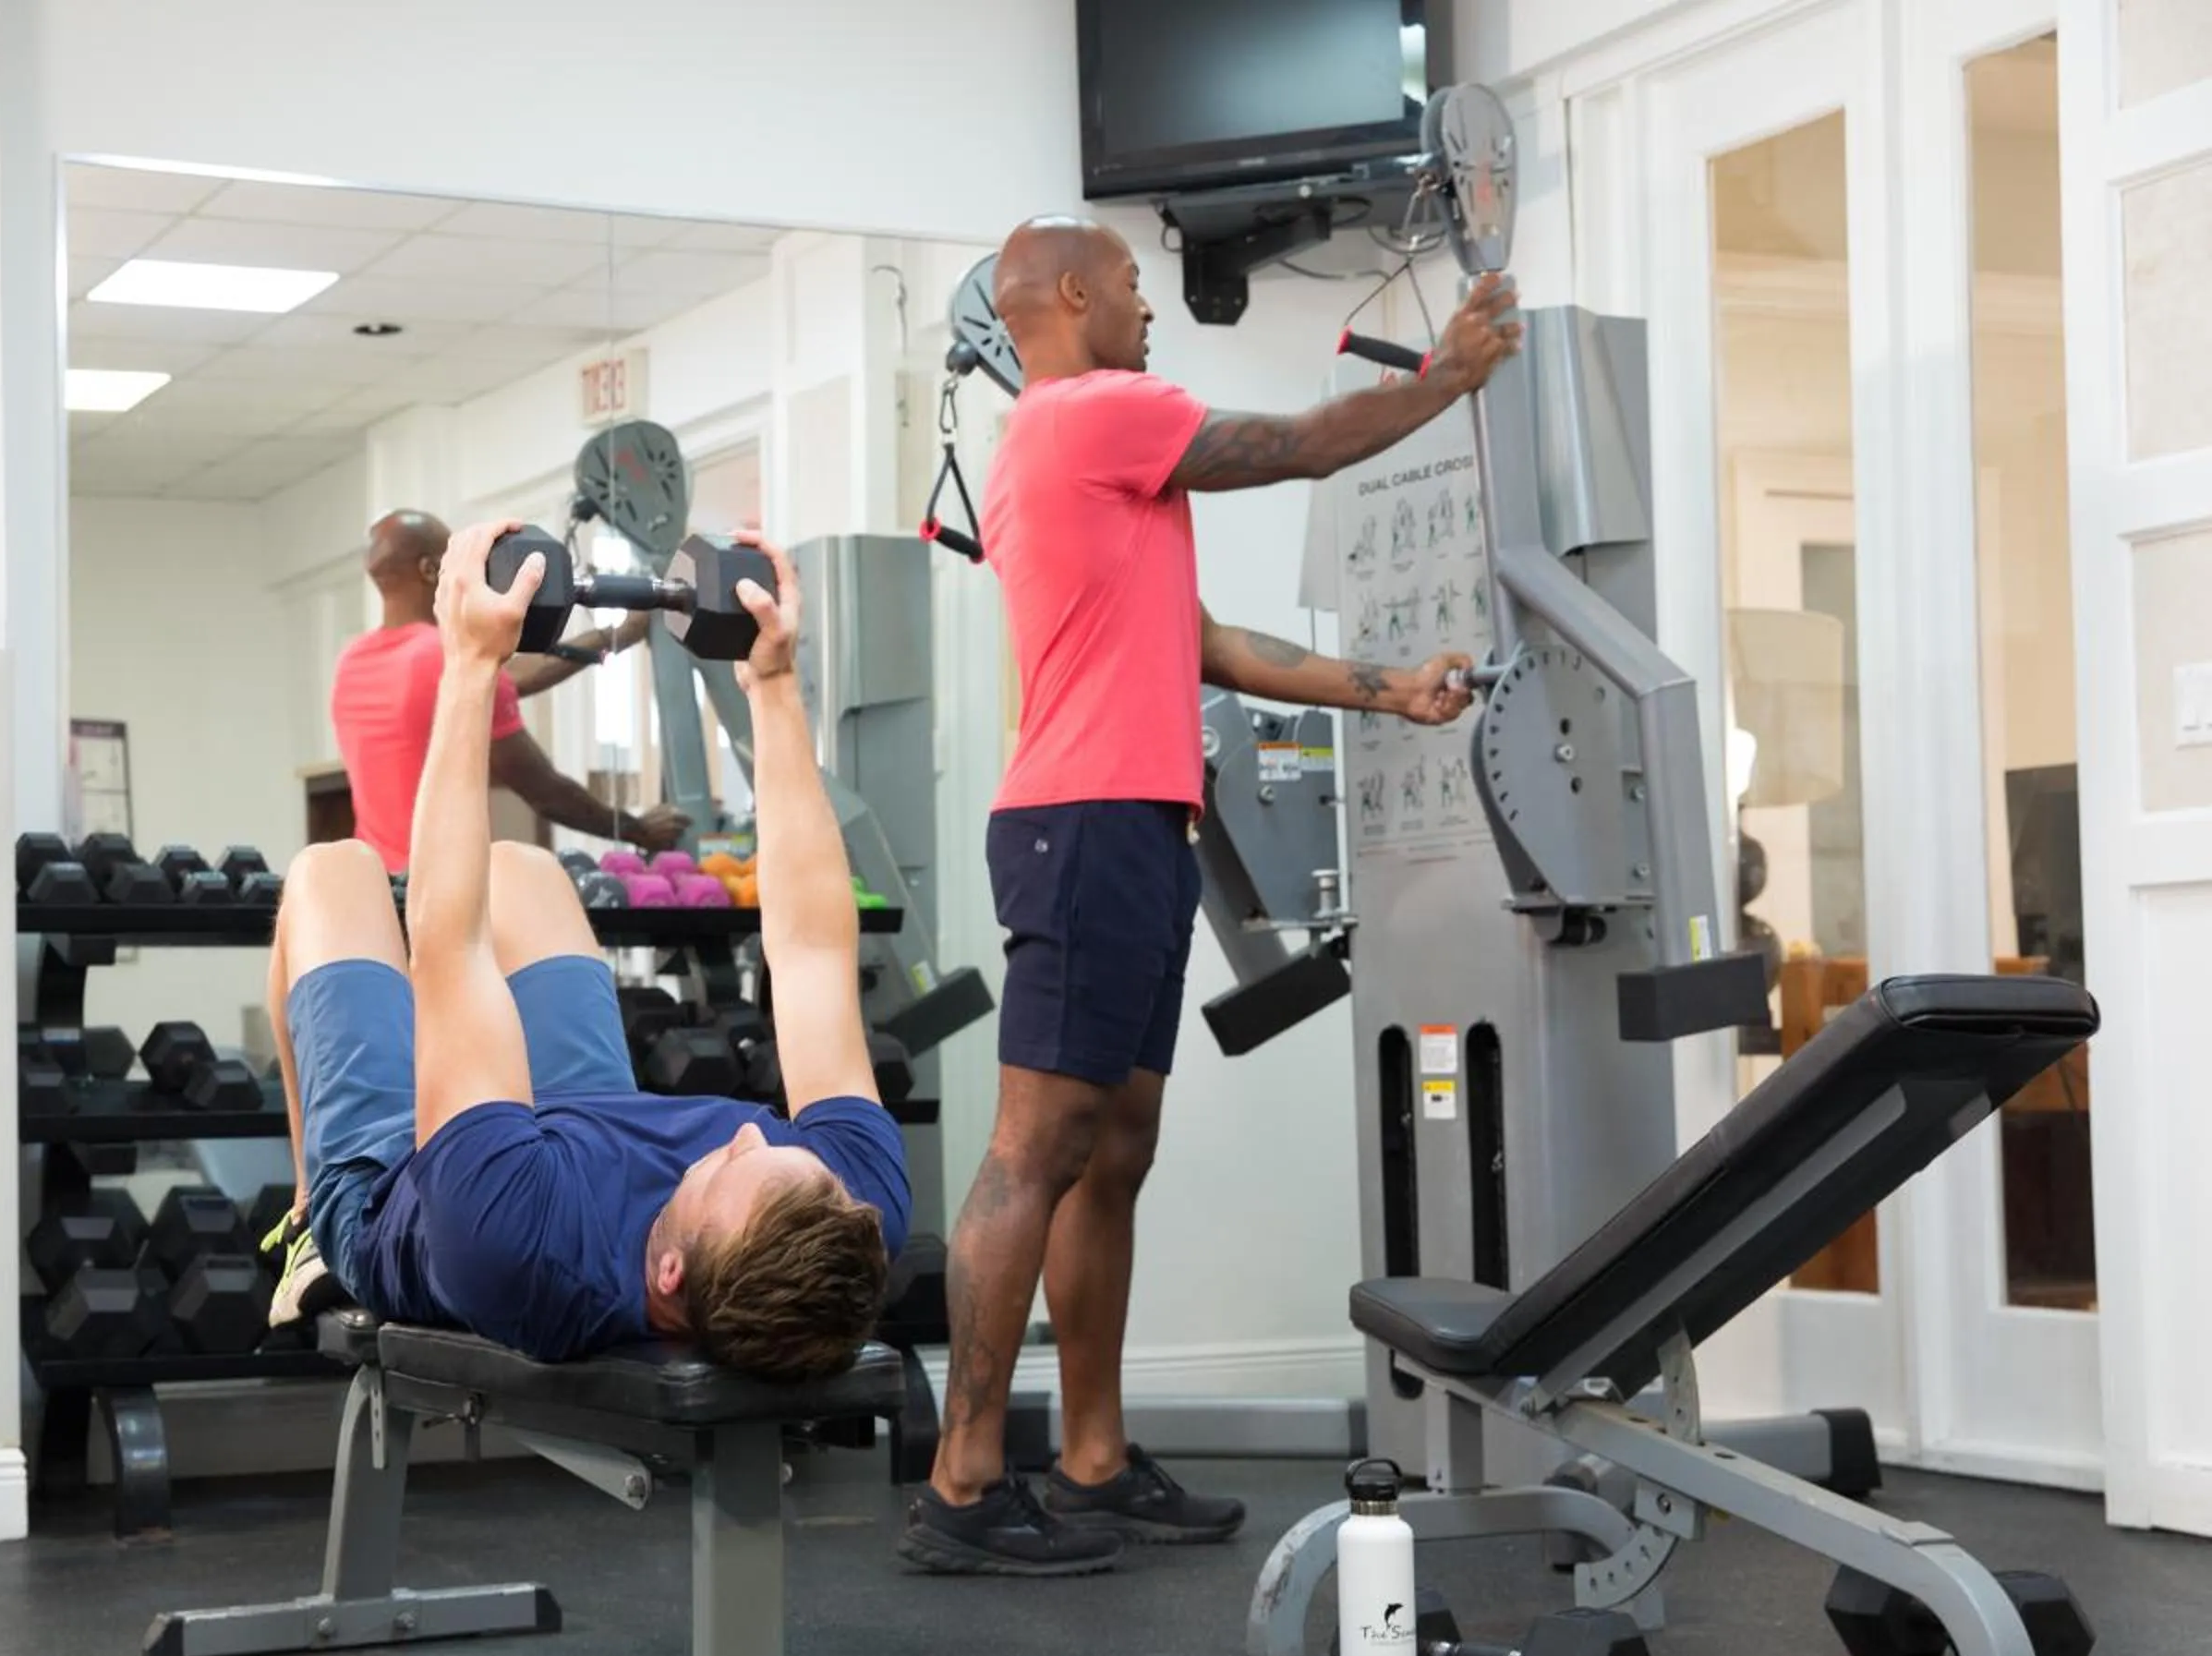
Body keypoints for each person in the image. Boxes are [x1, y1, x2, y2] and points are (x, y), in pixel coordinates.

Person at [897, 216, 1524, 1577]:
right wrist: (1448, 379)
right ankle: (960, 1482)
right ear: (1068, 295)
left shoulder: (1090, 461)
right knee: (1034, 1148)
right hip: (1084, 825)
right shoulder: (1090, 414)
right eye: (1131, 285)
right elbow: (1297, 443)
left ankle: (1094, 1462)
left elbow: (1211, 648)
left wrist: (1389, 687)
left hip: (1132, 820)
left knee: (1111, 1147)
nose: (1147, 309)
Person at [261, 519, 902, 1382]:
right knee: (524, 870)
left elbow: (452, 952)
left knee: (333, 875)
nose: (754, 1136)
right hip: (587, 1125)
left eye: (735, 1170)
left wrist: (468, 669)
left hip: (400, 1176)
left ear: (669, 1276)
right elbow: (813, 953)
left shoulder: (518, 1243)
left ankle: (309, 1219)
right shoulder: (845, 1208)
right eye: (782, 1150)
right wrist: (774, 682)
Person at [332, 508, 688, 866]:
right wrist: (638, 829)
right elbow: (544, 792)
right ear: (429, 570)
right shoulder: (444, 657)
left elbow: (509, 677)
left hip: (375, 883)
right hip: (437, 885)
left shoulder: (353, 661)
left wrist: (618, 635)